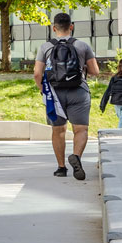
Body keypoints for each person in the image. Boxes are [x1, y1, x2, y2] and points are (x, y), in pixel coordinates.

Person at [33, 13, 99, 180]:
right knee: (81, 129)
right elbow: (95, 71)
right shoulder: (82, 45)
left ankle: (61, 168)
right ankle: (76, 156)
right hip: (79, 91)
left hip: (55, 94)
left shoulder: (45, 47)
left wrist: (44, 90)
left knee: (58, 130)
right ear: (71, 26)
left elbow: (37, 74)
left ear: (54, 28)